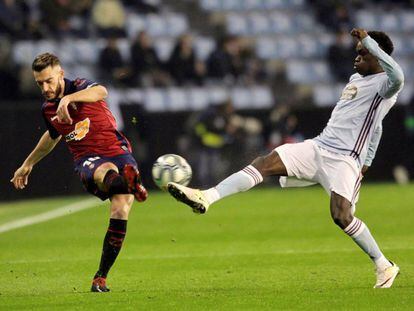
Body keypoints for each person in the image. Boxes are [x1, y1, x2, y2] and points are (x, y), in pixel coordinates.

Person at [167, 29, 404, 288]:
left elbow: (398, 76)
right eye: (357, 51)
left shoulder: (387, 84)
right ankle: (207, 196)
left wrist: (365, 158)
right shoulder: (355, 79)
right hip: (318, 147)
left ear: (378, 57)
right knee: (264, 162)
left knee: (341, 216)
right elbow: (376, 124)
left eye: (362, 52)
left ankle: (384, 265)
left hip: (345, 159)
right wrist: (371, 155)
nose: (356, 56)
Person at [10, 53, 148, 292]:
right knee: (105, 171)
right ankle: (129, 183)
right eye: (40, 83)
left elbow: (102, 91)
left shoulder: (80, 86)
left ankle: (100, 278)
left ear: (61, 74)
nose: (45, 87)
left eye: (49, 80)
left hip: (118, 150)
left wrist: (68, 99)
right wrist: (28, 163)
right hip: (87, 159)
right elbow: (53, 136)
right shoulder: (48, 108)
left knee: (120, 208)